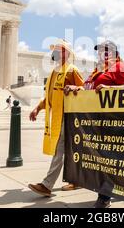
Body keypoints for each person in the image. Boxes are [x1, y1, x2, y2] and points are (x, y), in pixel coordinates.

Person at [63, 40, 124, 208]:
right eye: (99, 50)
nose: (101, 53)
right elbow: (89, 88)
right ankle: (109, 192)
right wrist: (77, 88)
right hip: (97, 121)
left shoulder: (121, 67)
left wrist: (110, 90)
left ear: (115, 53)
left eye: (106, 50)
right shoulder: (97, 70)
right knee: (103, 160)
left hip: (115, 121)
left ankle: (104, 197)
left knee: (110, 161)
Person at [28, 39, 85, 197]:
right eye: (54, 50)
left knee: (59, 150)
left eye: (58, 50)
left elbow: (84, 90)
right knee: (67, 150)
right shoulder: (54, 72)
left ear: (66, 53)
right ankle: (78, 180)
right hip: (57, 117)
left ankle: (47, 185)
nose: (54, 53)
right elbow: (49, 96)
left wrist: (76, 88)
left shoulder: (72, 70)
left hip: (68, 117)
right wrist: (37, 108)